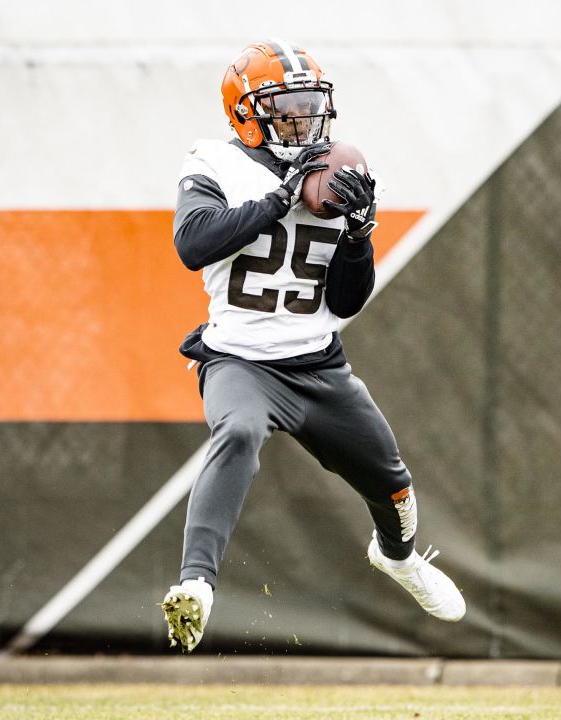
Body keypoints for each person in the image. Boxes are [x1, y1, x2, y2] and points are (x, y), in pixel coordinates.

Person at [159, 39, 465, 653]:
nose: (303, 118)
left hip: (318, 363)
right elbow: (193, 244)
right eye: (286, 105)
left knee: (393, 484)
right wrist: (280, 199)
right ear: (247, 113)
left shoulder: (338, 170)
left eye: (309, 104)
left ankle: (398, 558)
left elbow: (347, 300)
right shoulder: (215, 163)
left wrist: (358, 236)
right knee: (238, 433)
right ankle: (196, 586)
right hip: (240, 358)